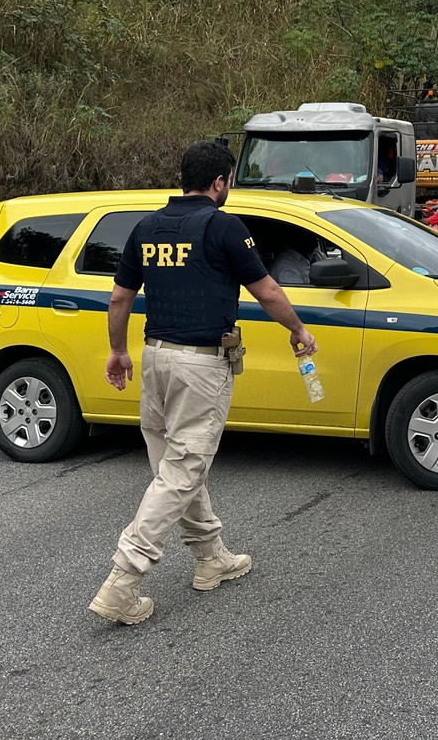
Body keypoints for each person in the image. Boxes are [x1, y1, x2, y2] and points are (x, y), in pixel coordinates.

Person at [89, 141, 319, 626]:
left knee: (176, 466)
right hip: (200, 364)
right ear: (220, 182)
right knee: (182, 470)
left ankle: (210, 556)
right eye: (229, 180)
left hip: (155, 359)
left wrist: (117, 350)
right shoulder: (222, 226)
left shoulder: (146, 227)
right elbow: (268, 290)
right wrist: (298, 330)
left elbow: (118, 300)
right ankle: (122, 581)